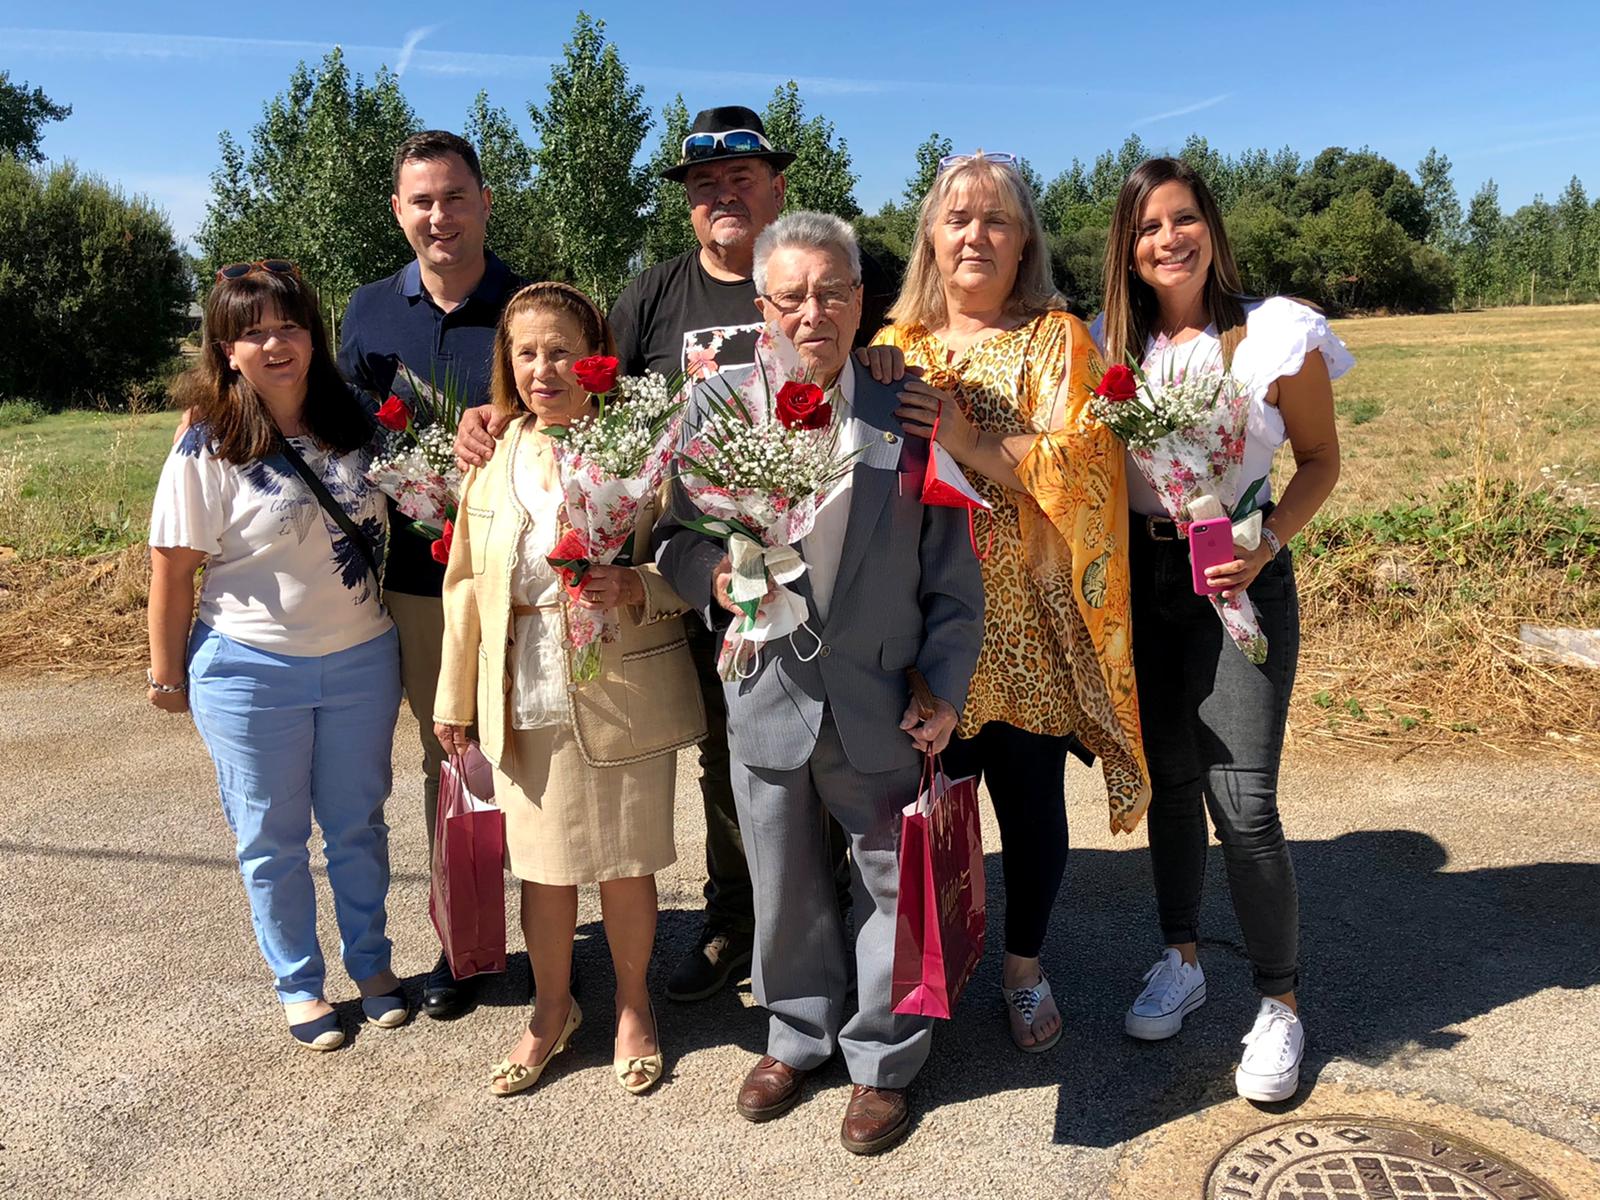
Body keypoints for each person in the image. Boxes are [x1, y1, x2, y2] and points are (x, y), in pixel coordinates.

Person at [454, 106, 898, 1006]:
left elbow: (877, 356)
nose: (723, 198)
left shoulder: (816, 277)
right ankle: (742, 923)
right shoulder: (652, 299)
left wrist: (888, 361)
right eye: (704, 189)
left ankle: (849, 922)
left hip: (831, 584)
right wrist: (502, 410)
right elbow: (582, 393)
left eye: (740, 181)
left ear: (777, 188)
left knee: (843, 762)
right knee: (735, 765)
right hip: (702, 574)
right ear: (689, 208)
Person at [655, 212, 984, 1154]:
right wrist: (709, 580)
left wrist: (946, 685)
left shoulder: (904, 411)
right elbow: (674, 538)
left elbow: (953, 572)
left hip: (878, 692)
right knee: (784, 881)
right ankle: (796, 1033)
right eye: (792, 295)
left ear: (860, 301)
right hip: (765, 689)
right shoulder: (713, 410)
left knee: (892, 882)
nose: (814, 311)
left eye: (833, 292)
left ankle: (882, 1059)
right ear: (762, 306)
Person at [872, 152, 1149, 1053]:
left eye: (996, 219)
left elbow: (1088, 465)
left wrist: (970, 438)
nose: (975, 235)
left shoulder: (1058, 339)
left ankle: (1024, 969)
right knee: (929, 804)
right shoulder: (895, 344)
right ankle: (930, 967)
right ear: (931, 236)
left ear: (1024, 237)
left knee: (1028, 807)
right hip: (920, 622)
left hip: (1026, 619)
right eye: (957, 218)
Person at [1094, 157, 1350, 1102]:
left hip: (1240, 579)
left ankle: (1280, 1004)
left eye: (1185, 218)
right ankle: (1183, 959)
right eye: (1150, 225)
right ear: (1127, 244)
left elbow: (1320, 462)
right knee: (1170, 784)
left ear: (1211, 228)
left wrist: (1267, 540)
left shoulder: (1275, 336)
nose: (1170, 238)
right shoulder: (1102, 346)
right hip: (1144, 581)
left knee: (1243, 804)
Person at [433, 282, 706, 1096]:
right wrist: (455, 699)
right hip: (525, 691)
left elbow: (695, 554)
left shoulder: (637, 447)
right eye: (525, 353)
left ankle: (631, 1005)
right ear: (505, 364)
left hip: (622, 686)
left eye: (559, 351)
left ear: (596, 358)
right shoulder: (492, 454)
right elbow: (464, 584)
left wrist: (638, 587)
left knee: (626, 863)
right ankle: (552, 1010)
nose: (542, 369)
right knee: (542, 871)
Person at [146, 261, 405, 1051]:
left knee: (357, 825)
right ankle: (300, 984)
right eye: (252, 331)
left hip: (362, 657)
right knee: (271, 839)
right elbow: (172, 568)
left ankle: (373, 967)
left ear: (312, 333)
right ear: (225, 350)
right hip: (249, 668)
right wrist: (166, 674)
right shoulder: (207, 444)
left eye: (289, 325)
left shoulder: (358, 419)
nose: (275, 343)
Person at [339, 129, 525, 1020]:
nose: (439, 216)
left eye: (456, 196)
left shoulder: (532, 302)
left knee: (535, 754)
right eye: (423, 201)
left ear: (485, 201)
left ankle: (551, 932)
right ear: (398, 212)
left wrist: (514, 416)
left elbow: (588, 414)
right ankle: (469, 943)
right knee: (449, 756)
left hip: (527, 576)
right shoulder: (370, 311)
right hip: (421, 580)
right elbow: (343, 434)